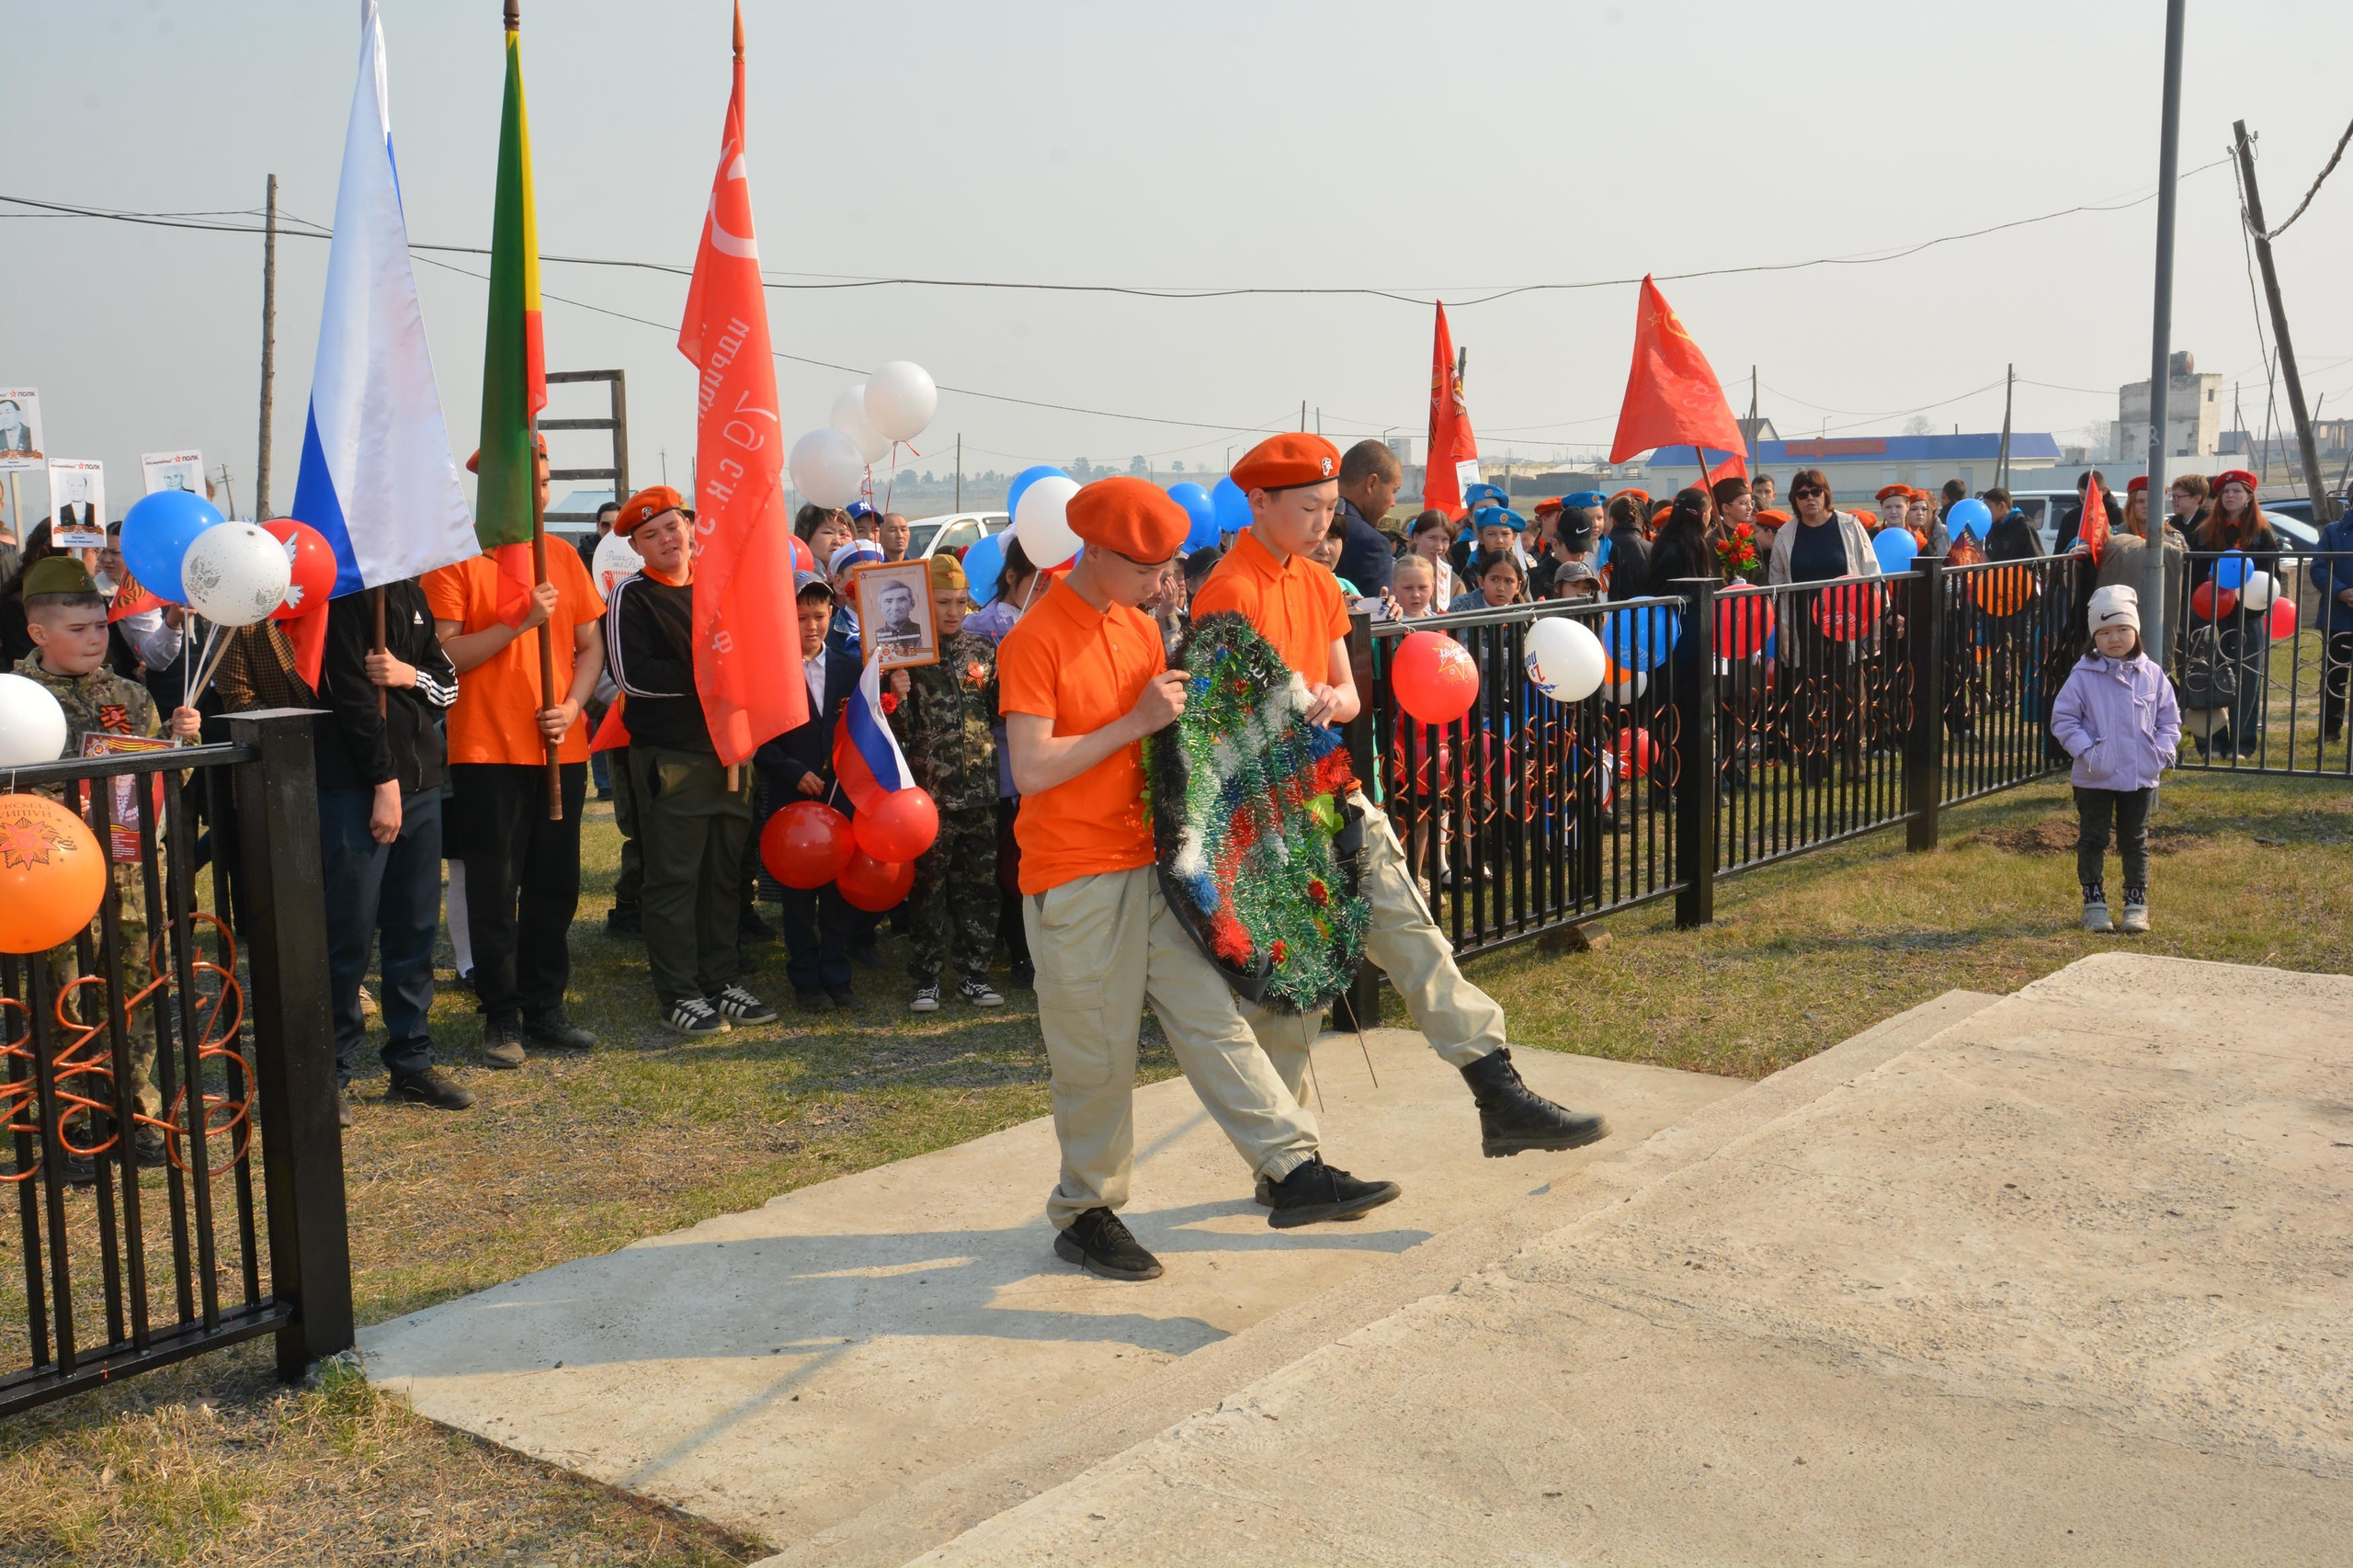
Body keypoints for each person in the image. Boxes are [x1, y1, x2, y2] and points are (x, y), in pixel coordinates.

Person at [1000, 474, 1405, 1280]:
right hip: (1075, 879)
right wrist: (1136, 722)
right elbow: (1032, 767)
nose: (1162, 584)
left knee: (1213, 1021)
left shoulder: (1138, 627)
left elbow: (1167, 748)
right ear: (1096, 553)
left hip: (1153, 869)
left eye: (1165, 568)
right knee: (1096, 1058)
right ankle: (1085, 1211)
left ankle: (1291, 1168)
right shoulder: (1035, 637)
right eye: (1146, 569)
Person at [1190, 433, 1608, 1175]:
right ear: (1258, 503)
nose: (1323, 523)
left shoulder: (1321, 584)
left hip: (1336, 795)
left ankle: (1499, 1095)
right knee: (1292, 1001)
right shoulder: (1228, 590)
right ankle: (1285, 1165)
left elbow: (1349, 693)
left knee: (1419, 943)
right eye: (1308, 508)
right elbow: (1226, 720)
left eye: (1329, 508)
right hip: (1273, 818)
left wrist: (1328, 698)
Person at [15, 557, 203, 1176]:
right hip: (53, 880)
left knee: (136, 994)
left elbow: (164, 783)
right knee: (62, 996)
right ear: (39, 633)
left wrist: (182, 743)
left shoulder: (129, 694)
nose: (97, 638)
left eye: (100, 625)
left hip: (130, 874)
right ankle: (70, 1123)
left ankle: (135, 1115)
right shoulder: (16, 701)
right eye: (79, 629)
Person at [426, 467, 605, 1068]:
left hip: (560, 749)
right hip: (486, 751)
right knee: (494, 888)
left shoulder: (563, 555)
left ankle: (545, 1007)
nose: (538, 490)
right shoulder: (457, 558)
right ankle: (500, 1013)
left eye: (546, 480)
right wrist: (517, 622)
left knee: (556, 886)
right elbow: (445, 654)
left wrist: (573, 707)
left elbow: (590, 647)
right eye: (526, 477)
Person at [602, 486, 774, 1036]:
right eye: (650, 535)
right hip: (672, 759)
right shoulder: (632, 596)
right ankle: (679, 991)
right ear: (636, 546)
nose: (666, 540)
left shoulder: (720, 586)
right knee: (674, 878)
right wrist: (710, 677)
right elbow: (632, 676)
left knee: (725, 875)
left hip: (731, 752)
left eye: (672, 527)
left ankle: (720, 979)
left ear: (690, 526)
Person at [314, 573, 472, 1119]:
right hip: (356, 790)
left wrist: (408, 675)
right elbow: (350, 695)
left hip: (422, 786)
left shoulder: (411, 592)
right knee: (348, 933)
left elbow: (447, 684)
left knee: (415, 929)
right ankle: (331, 1070)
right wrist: (383, 781)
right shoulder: (343, 597)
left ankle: (411, 1061)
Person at [887, 552, 1006, 1013]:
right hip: (929, 795)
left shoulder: (983, 651)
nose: (954, 611)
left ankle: (975, 974)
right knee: (929, 887)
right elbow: (895, 731)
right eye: (942, 602)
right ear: (924, 603)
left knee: (980, 886)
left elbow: (996, 712)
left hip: (980, 791)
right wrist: (894, 694)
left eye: (960, 601)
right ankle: (926, 978)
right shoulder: (907, 656)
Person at [758, 574, 864, 1007]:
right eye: (800, 618)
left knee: (838, 890)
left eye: (819, 616)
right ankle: (805, 978)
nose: (811, 626)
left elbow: (863, 728)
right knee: (798, 895)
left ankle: (837, 974)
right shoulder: (771, 672)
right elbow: (760, 738)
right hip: (793, 800)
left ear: (832, 614)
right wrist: (792, 772)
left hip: (839, 797)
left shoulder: (849, 667)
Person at [2052, 585, 2179, 935]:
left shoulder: (2152, 674)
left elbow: (2169, 720)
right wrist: (2088, 752)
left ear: (2135, 631)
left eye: (2122, 629)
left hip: (2139, 776)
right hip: (2094, 776)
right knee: (2093, 839)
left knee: (2135, 840)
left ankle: (2136, 904)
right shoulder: (2083, 675)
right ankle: (2094, 903)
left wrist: (2160, 753)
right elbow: (2064, 719)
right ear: (2094, 637)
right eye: (2104, 632)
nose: (2114, 638)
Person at [1767, 470, 1881, 781]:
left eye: (1815, 492)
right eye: (1802, 494)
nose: (1810, 499)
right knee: (1808, 696)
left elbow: (1871, 573)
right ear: (1795, 500)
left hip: (1848, 620)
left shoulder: (1849, 526)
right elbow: (1778, 585)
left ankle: (1855, 765)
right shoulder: (1786, 534)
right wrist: (1784, 627)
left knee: (1851, 694)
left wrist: (1876, 619)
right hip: (1804, 624)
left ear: (1826, 493)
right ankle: (1815, 767)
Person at [2187, 469, 2281, 761]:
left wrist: (2250, 593)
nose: (2230, 496)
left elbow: (2272, 576)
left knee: (2248, 679)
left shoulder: (2262, 533)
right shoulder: (2204, 531)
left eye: (2237, 491)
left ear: (2249, 497)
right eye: (2225, 492)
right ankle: (2211, 742)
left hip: (2248, 617)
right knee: (2207, 676)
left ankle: (2242, 743)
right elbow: (2193, 574)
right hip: (2210, 615)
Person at [1332, 439, 1399, 595]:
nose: (1393, 503)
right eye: (1394, 491)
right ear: (1372, 483)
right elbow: (1377, 608)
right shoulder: (1372, 545)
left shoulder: (1306, 525)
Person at [2317, 493, 2353, 743]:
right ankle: (2330, 730)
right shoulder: (2333, 532)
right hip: (2339, 616)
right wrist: (2341, 591)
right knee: (2335, 676)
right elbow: (2319, 567)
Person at [964, 538, 1038, 642]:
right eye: (1037, 588)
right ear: (1011, 577)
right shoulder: (979, 629)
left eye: (1050, 589)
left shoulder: (1042, 624)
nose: (1043, 596)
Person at [2055, 470, 2121, 556]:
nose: (2087, 503)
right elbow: (2058, 555)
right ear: (2078, 490)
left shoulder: (2118, 515)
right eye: (2083, 499)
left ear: (2105, 491)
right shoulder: (2070, 518)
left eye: (2092, 498)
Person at [1404, 510, 1460, 607]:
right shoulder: (1395, 573)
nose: (1439, 547)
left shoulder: (1455, 582)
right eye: (1432, 538)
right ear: (1416, 537)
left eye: (1445, 540)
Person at [1981, 488, 2043, 562]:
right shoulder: (1992, 527)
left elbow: (2036, 560)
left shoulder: (2023, 526)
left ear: (2001, 506)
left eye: (1988, 507)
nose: (1986, 512)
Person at [871, 577, 924, 660]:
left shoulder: (924, 634)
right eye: (888, 601)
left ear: (912, 604)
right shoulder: (872, 639)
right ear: (880, 607)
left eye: (901, 600)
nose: (895, 607)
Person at [795, 504, 853, 575]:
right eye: (828, 533)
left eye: (843, 534)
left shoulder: (860, 575)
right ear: (805, 537)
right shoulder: (796, 578)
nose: (837, 541)